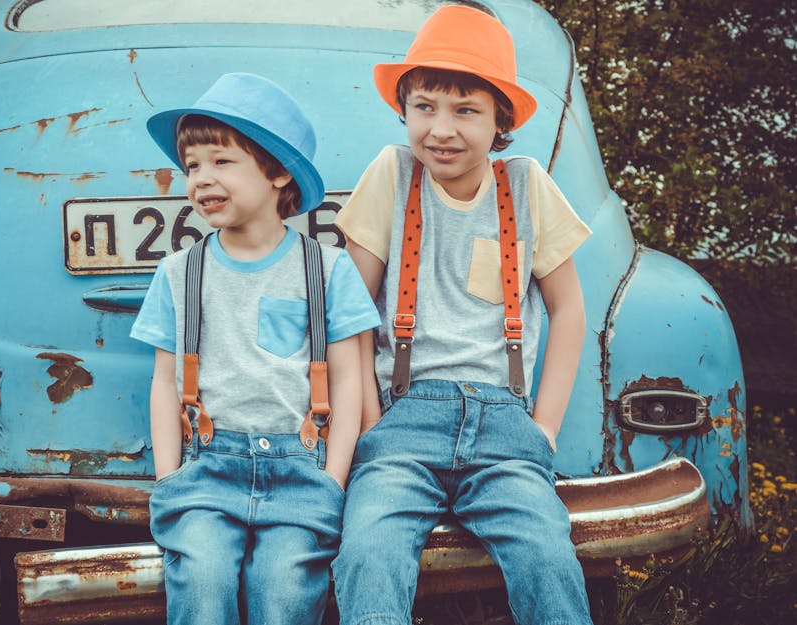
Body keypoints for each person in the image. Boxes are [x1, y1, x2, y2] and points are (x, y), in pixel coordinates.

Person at [331, 5, 594, 625]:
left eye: (465, 110)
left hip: (505, 430)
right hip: (403, 425)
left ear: (501, 119)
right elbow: (348, 313)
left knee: (548, 556)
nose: (440, 129)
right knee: (367, 551)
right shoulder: (391, 175)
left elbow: (570, 310)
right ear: (405, 109)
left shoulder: (527, 186)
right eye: (424, 106)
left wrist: (546, 428)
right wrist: (371, 421)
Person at [131, 72, 380, 625]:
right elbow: (162, 382)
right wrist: (168, 476)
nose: (201, 178)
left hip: (301, 469)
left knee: (286, 591)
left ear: (277, 171)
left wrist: (333, 479)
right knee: (200, 581)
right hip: (206, 472)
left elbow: (348, 382)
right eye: (192, 165)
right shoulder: (178, 273)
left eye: (221, 161)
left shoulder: (327, 269)